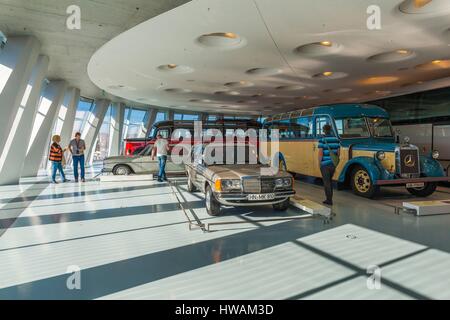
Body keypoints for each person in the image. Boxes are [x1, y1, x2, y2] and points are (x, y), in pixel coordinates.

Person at [318, 124, 340, 206]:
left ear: (324, 130)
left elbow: (320, 153)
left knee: (326, 182)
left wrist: (319, 163)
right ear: (330, 130)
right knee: (330, 181)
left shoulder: (322, 139)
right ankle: (329, 198)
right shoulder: (336, 139)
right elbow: (338, 153)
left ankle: (329, 200)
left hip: (325, 164)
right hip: (333, 164)